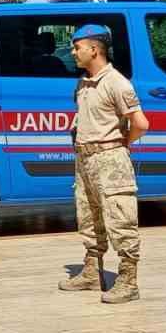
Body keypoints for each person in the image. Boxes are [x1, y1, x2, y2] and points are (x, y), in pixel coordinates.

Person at [60, 24, 150, 305]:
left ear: (94, 49)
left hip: (110, 159)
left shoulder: (117, 83)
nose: (74, 52)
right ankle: (91, 272)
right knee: (88, 217)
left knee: (121, 220)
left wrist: (120, 144)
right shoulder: (83, 83)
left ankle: (128, 281)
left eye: (77, 47)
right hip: (85, 158)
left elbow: (140, 124)